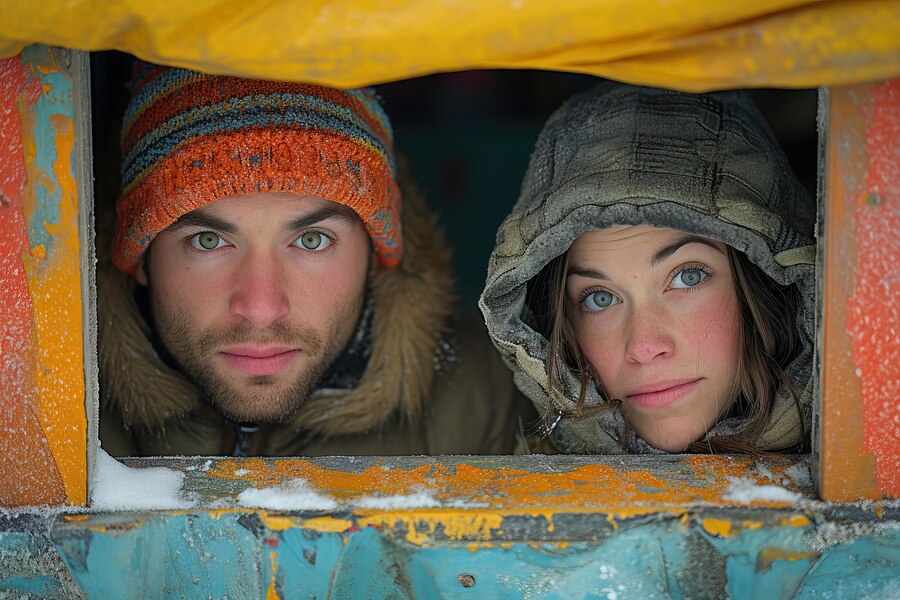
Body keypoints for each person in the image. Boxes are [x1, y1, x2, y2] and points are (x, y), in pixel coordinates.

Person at [98, 61, 533, 456]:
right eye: (209, 240)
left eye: (311, 241)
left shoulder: (487, 398)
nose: (262, 308)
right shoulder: (52, 406)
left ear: (375, 255)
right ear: (140, 257)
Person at [480, 83, 815, 454]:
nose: (644, 346)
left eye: (688, 276)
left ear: (766, 283)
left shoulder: (869, 464)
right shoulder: (520, 490)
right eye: (600, 298)